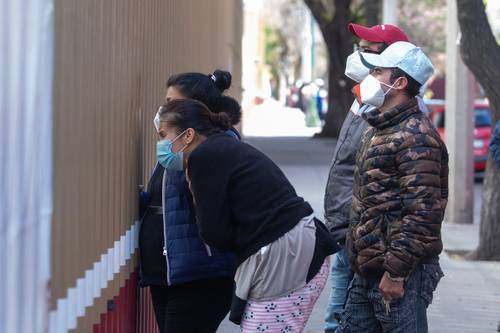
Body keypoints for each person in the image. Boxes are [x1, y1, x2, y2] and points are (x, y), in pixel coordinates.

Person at [156, 98, 339, 332]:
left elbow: (214, 233)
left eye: (163, 135)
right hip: (299, 248)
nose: (160, 144)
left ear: (188, 135)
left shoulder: (203, 157)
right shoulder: (222, 146)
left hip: (285, 256)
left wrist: (195, 194)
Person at [339, 41, 448, 332]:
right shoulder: (378, 127)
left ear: (399, 83)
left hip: (399, 275)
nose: (369, 78)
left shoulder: (416, 137)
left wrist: (396, 273)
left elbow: (423, 215)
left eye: (377, 71)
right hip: (367, 271)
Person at [138, 70, 241, 333]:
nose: (164, 109)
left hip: (199, 275)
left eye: (172, 103)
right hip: (169, 271)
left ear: (194, 108)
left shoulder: (212, 148)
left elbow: (214, 211)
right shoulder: (176, 145)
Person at [324, 23, 410, 333]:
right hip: (348, 232)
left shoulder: (398, 115)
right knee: (339, 318)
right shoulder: (364, 98)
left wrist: (396, 269)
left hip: (366, 238)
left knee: (341, 320)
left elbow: (417, 204)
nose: (358, 57)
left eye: (368, 51)